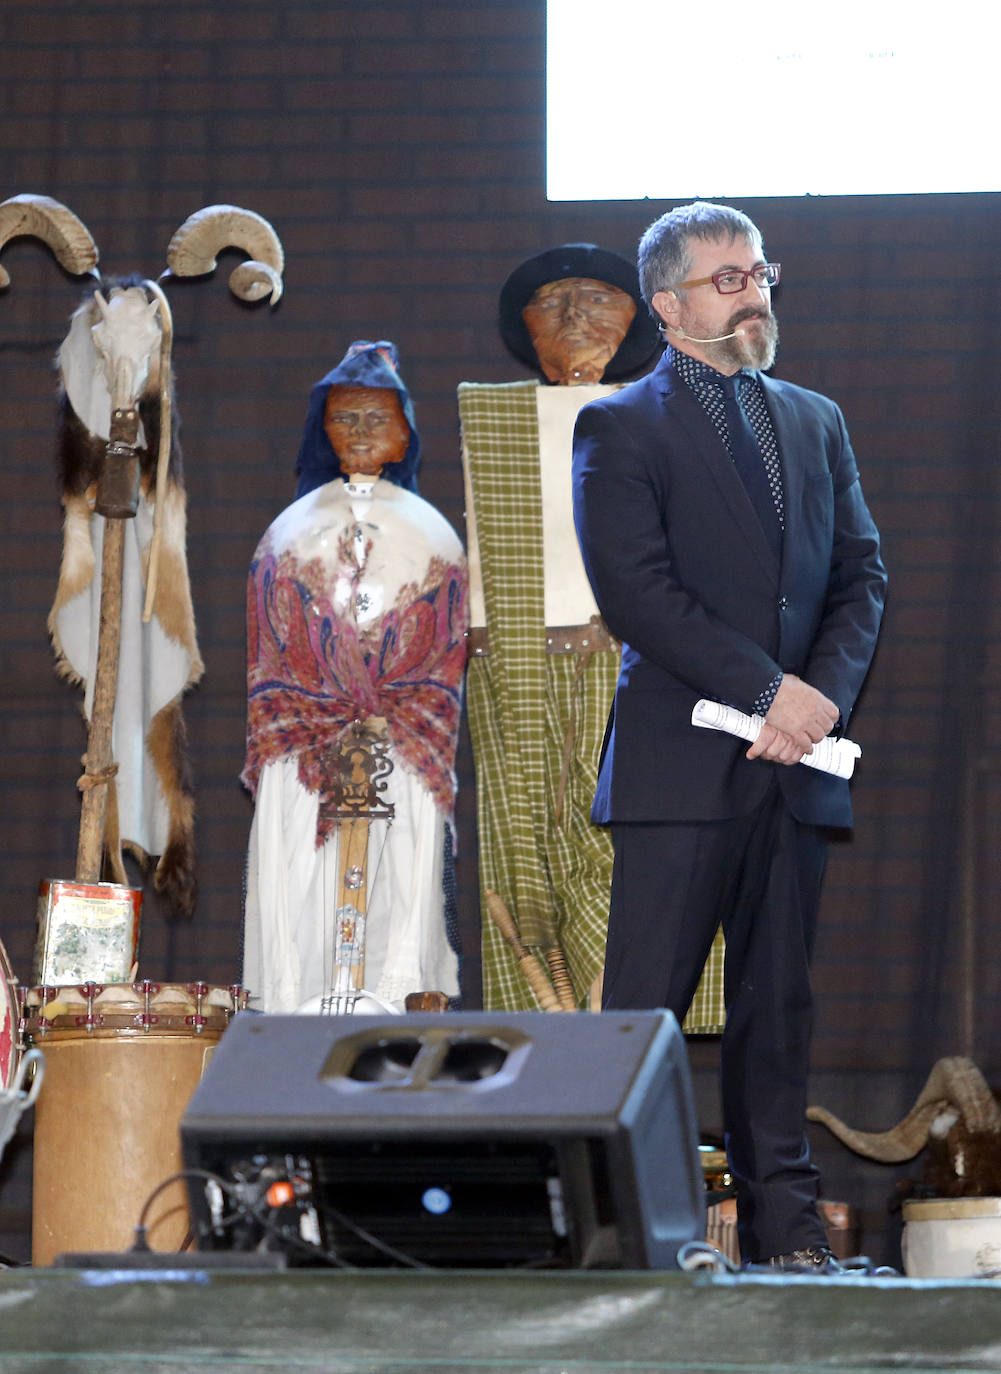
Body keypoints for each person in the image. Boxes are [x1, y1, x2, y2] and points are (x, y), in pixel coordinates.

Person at [571, 202, 887, 1271]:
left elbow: (860, 577)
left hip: (793, 766)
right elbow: (638, 594)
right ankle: (632, 1241)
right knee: (646, 1019)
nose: (752, 292)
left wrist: (816, 704)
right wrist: (768, 693)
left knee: (776, 1011)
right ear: (666, 306)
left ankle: (786, 1238)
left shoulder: (812, 417)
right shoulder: (620, 424)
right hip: (680, 763)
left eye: (758, 273)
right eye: (725, 279)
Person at [460, 244, 716, 1017]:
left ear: (638, 317)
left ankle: (629, 1029)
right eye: (553, 302)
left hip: (630, 658)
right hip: (515, 661)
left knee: (630, 844)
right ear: (523, 326)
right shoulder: (494, 416)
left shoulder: (666, 414)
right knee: (522, 852)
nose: (576, 316)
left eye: (599, 299)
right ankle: (552, 1047)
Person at [242, 341, 467, 1013]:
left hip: (402, 745)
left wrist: (386, 705)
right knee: (299, 891)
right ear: (324, 429)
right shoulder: (291, 532)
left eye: (377, 417)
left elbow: (445, 646)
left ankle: (394, 1019)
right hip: (303, 750)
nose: (363, 431)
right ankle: (292, 1021)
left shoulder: (428, 531)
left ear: (403, 431)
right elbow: (268, 655)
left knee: (402, 888)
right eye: (346, 418)